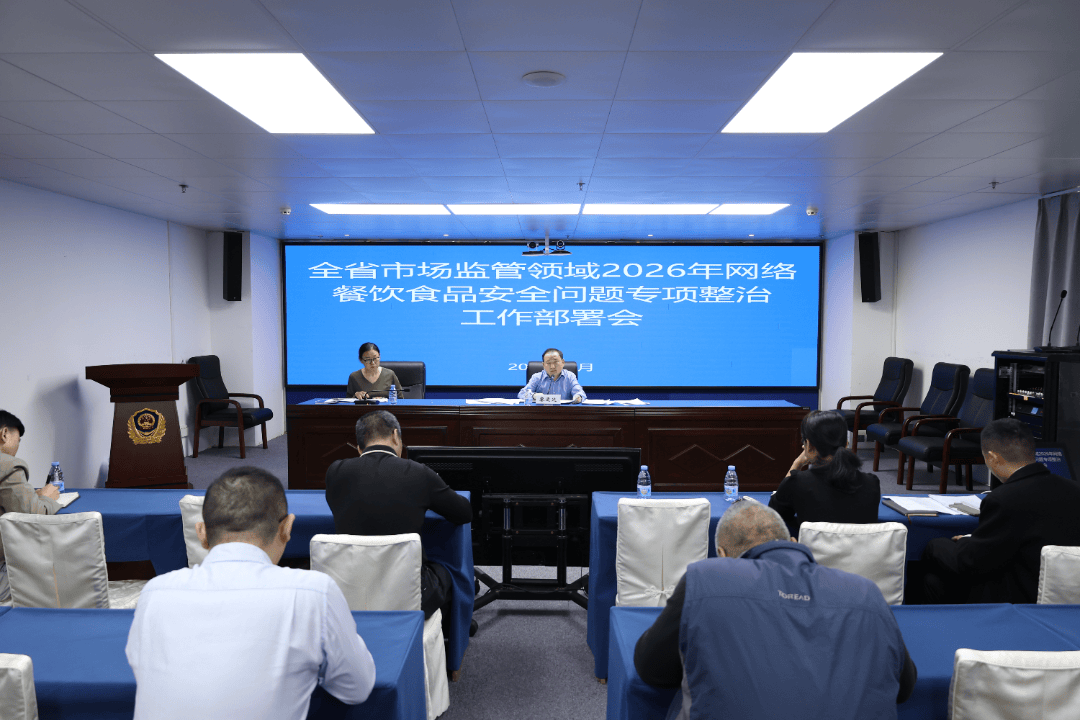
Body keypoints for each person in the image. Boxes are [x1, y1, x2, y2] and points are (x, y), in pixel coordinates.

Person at [126, 467, 375, 720]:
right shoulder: (314, 593)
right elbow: (356, 688)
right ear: (287, 528)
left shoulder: (154, 594)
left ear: (201, 533)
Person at [634, 500, 916, 720]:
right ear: (794, 543)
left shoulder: (705, 578)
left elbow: (652, 669)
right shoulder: (866, 592)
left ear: (722, 555)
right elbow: (904, 687)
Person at [325, 410, 472, 621]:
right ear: (395, 435)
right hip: (408, 593)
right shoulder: (419, 472)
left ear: (359, 448)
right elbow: (464, 513)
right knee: (447, 571)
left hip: (352, 588)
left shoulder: (335, 471)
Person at [920, 418, 1080, 604]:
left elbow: (971, 563)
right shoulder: (1075, 490)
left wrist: (952, 543)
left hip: (1017, 598)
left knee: (934, 565)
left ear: (993, 458)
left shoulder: (1002, 499)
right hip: (1067, 593)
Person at [768, 409, 881, 537]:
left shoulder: (797, 482)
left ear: (808, 445)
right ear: (846, 444)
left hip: (811, 551)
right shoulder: (872, 482)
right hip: (860, 550)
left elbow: (774, 515)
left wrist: (797, 464)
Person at [0, 410, 60, 602]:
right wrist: (48, 498)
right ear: (4, 434)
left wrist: (34, 497)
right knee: (58, 571)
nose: (17, 447)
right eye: (17, 440)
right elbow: (33, 516)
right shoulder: (8, 465)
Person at [517, 348, 586, 403]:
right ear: (543, 365)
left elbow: (579, 392)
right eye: (548, 363)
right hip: (541, 412)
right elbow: (522, 394)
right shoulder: (537, 377)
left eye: (555, 362)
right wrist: (534, 395)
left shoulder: (570, 376)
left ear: (563, 362)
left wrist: (578, 397)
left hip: (564, 412)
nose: (552, 367)